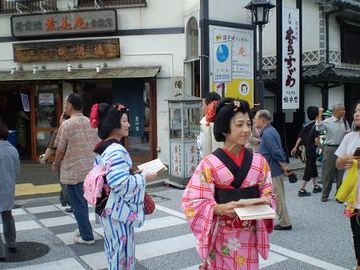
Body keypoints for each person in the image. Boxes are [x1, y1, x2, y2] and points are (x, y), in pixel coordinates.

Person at [182, 98, 276, 269]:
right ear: (224, 129)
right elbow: (191, 202)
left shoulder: (259, 161)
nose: (246, 130)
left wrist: (266, 201)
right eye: (239, 125)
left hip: (249, 235)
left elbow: (269, 193)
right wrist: (217, 208)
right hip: (221, 235)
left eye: (249, 124)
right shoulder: (209, 164)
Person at [90, 103, 157, 269]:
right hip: (117, 211)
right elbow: (121, 184)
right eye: (125, 120)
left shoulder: (103, 147)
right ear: (114, 124)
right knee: (122, 254)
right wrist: (144, 177)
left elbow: (113, 178)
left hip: (108, 208)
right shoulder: (116, 150)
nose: (128, 124)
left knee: (114, 250)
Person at [52, 93, 99, 245]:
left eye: (66, 104)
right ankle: (83, 227)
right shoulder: (89, 122)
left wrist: (56, 163)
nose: (65, 106)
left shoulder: (67, 125)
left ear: (70, 106)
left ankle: (87, 236)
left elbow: (59, 149)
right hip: (88, 170)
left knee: (77, 204)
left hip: (73, 171)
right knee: (82, 202)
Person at [254, 109, 292, 230]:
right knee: (276, 195)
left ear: (262, 120)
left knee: (277, 196)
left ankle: (285, 222)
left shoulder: (267, 134)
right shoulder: (270, 130)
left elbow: (276, 152)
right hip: (273, 168)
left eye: (256, 118)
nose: (254, 120)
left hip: (273, 169)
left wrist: (284, 165)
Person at [334, 100, 360, 270]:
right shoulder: (350, 136)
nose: (356, 114)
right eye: (356, 110)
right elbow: (338, 163)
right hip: (353, 196)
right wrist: (347, 159)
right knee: (356, 233)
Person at [316, 103, 350, 202]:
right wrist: (320, 113)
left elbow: (347, 133)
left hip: (342, 148)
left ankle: (339, 195)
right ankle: (325, 195)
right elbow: (318, 127)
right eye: (342, 110)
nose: (344, 111)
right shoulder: (327, 121)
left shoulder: (345, 121)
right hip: (330, 149)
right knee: (328, 173)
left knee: (341, 173)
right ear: (336, 111)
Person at [39, 112, 71, 211]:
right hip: (77, 162)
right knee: (71, 184)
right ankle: (64, 200)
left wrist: (44, 159)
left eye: (61, 117)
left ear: (63, 119)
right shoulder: (77, 128)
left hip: (63, 162)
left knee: (64, 183)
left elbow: (52, 148)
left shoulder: (60, 130)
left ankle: (71, 203)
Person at [290, 106, 322, 196]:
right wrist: (322, 148)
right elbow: (317, 140)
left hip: (306, 149)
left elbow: (300, 137)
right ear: (317, 115)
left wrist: (295, 147)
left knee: (313, 168)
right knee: (308, 169)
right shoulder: (316, 126)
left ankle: (315, 186)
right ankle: (302, 190)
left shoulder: (305, 125)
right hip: (312, 150)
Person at [0, 121, 20, 261]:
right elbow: (17, 171)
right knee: (7, 216)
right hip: (7, 189)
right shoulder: (12, 149)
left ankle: (1, 253)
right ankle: (11, 243)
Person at [197, 92, 222, 158]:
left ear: (210, 105)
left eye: (203, 105)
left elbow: (212, 148)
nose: (202, 108)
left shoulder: (212, 123)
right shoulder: (205, 121)